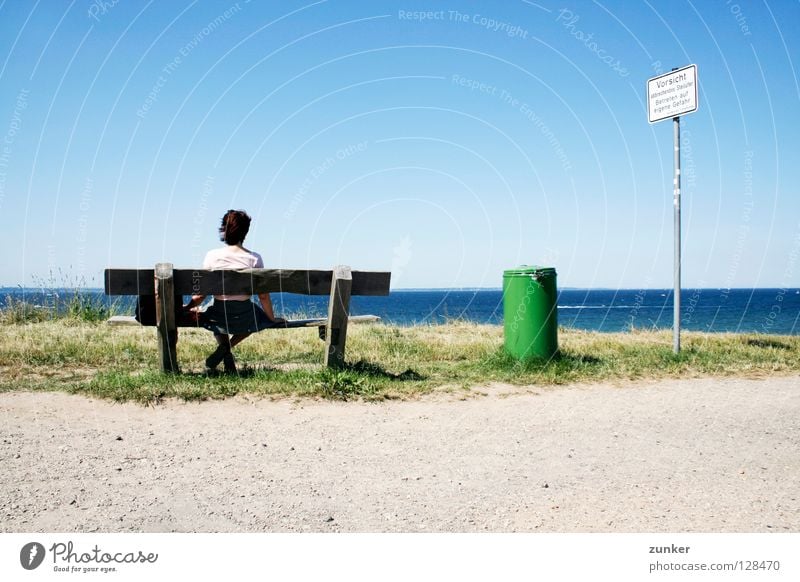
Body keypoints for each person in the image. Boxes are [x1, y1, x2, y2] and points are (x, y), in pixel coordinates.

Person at [184, 209, 285, 374]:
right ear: (245, 232)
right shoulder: (254, 259)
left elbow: (201, 294)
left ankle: (224, 348)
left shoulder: (212, 256)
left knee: (212, 317)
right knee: (260, 318)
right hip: (244, 313)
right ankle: (227, 348)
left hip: (219, 313)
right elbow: (264, 296)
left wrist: (188, 307)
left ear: (224, 229)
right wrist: (272, 319)